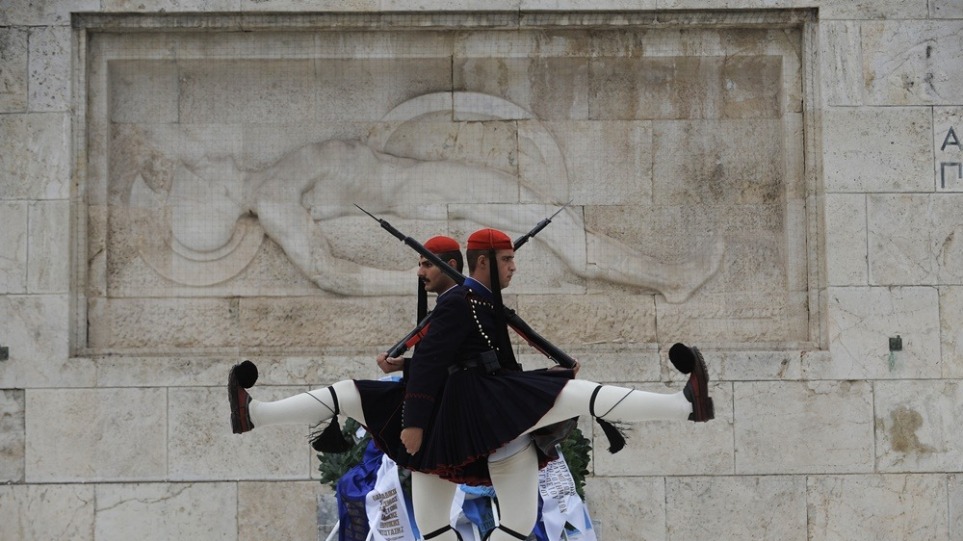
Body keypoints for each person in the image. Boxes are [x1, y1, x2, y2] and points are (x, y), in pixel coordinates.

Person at [228, 228, 713, 541]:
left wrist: (555, 368)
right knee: (354, 395)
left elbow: (485, 351)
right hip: (470, 405)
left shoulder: (479, 299)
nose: (514, 267)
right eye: (506, 261)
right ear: (483, 264)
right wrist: (414, 423)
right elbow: (435, 360)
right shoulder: (461, 301)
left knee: (514, 525)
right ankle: (683, 404)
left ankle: (684, 404)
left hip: (480, 402)